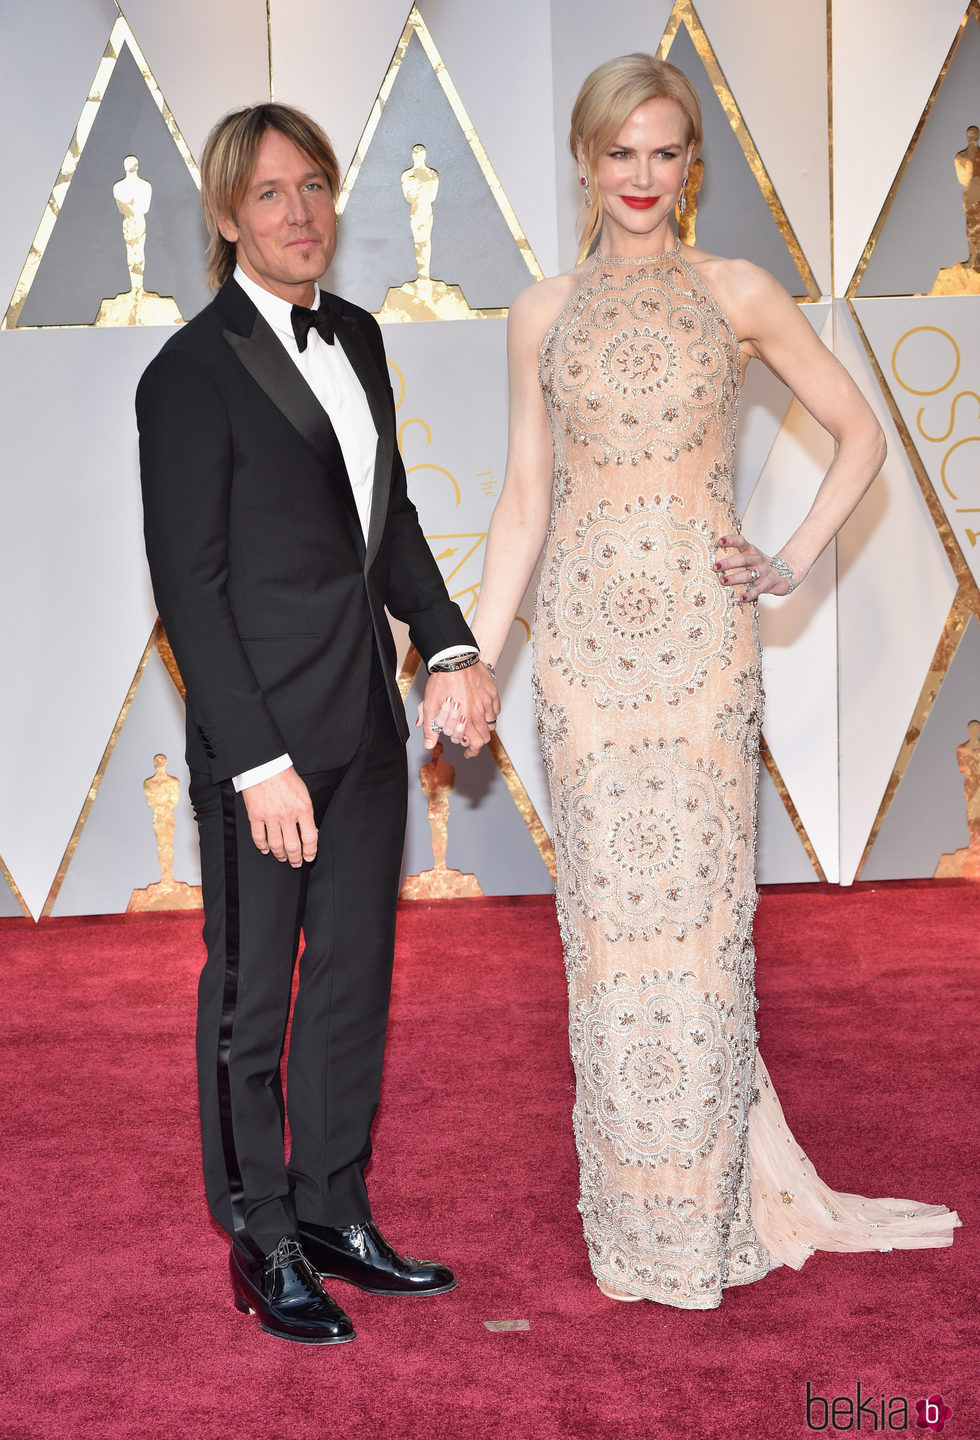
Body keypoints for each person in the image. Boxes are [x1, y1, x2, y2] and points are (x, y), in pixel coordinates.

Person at [468, 54, 959, 1309]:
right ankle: (635, 1220)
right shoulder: (540, 308)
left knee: (691, 936)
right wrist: (473, 653)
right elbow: (526, 499)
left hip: (695, 654)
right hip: (582, 655)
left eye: (664, 151)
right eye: (618, 152)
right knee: (609, 944)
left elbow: (859, 432)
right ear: (584, 162)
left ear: (692, 168)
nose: (640, 176)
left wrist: (786, 559)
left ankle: (698, 1222)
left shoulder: (736, 290)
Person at [137, 102, 499, 1345]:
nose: (301, 214)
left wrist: (444, 638)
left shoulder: (356, 335)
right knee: (250, 1001)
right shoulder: (184, 375)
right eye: (272, 194)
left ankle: (335, 1210)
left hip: (363, 728)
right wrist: (256, 762)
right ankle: (260, 1236)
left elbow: (383, 521)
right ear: (229, 217)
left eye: (314, 188)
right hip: (266, 756)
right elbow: (190, 588)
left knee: (353, 982)